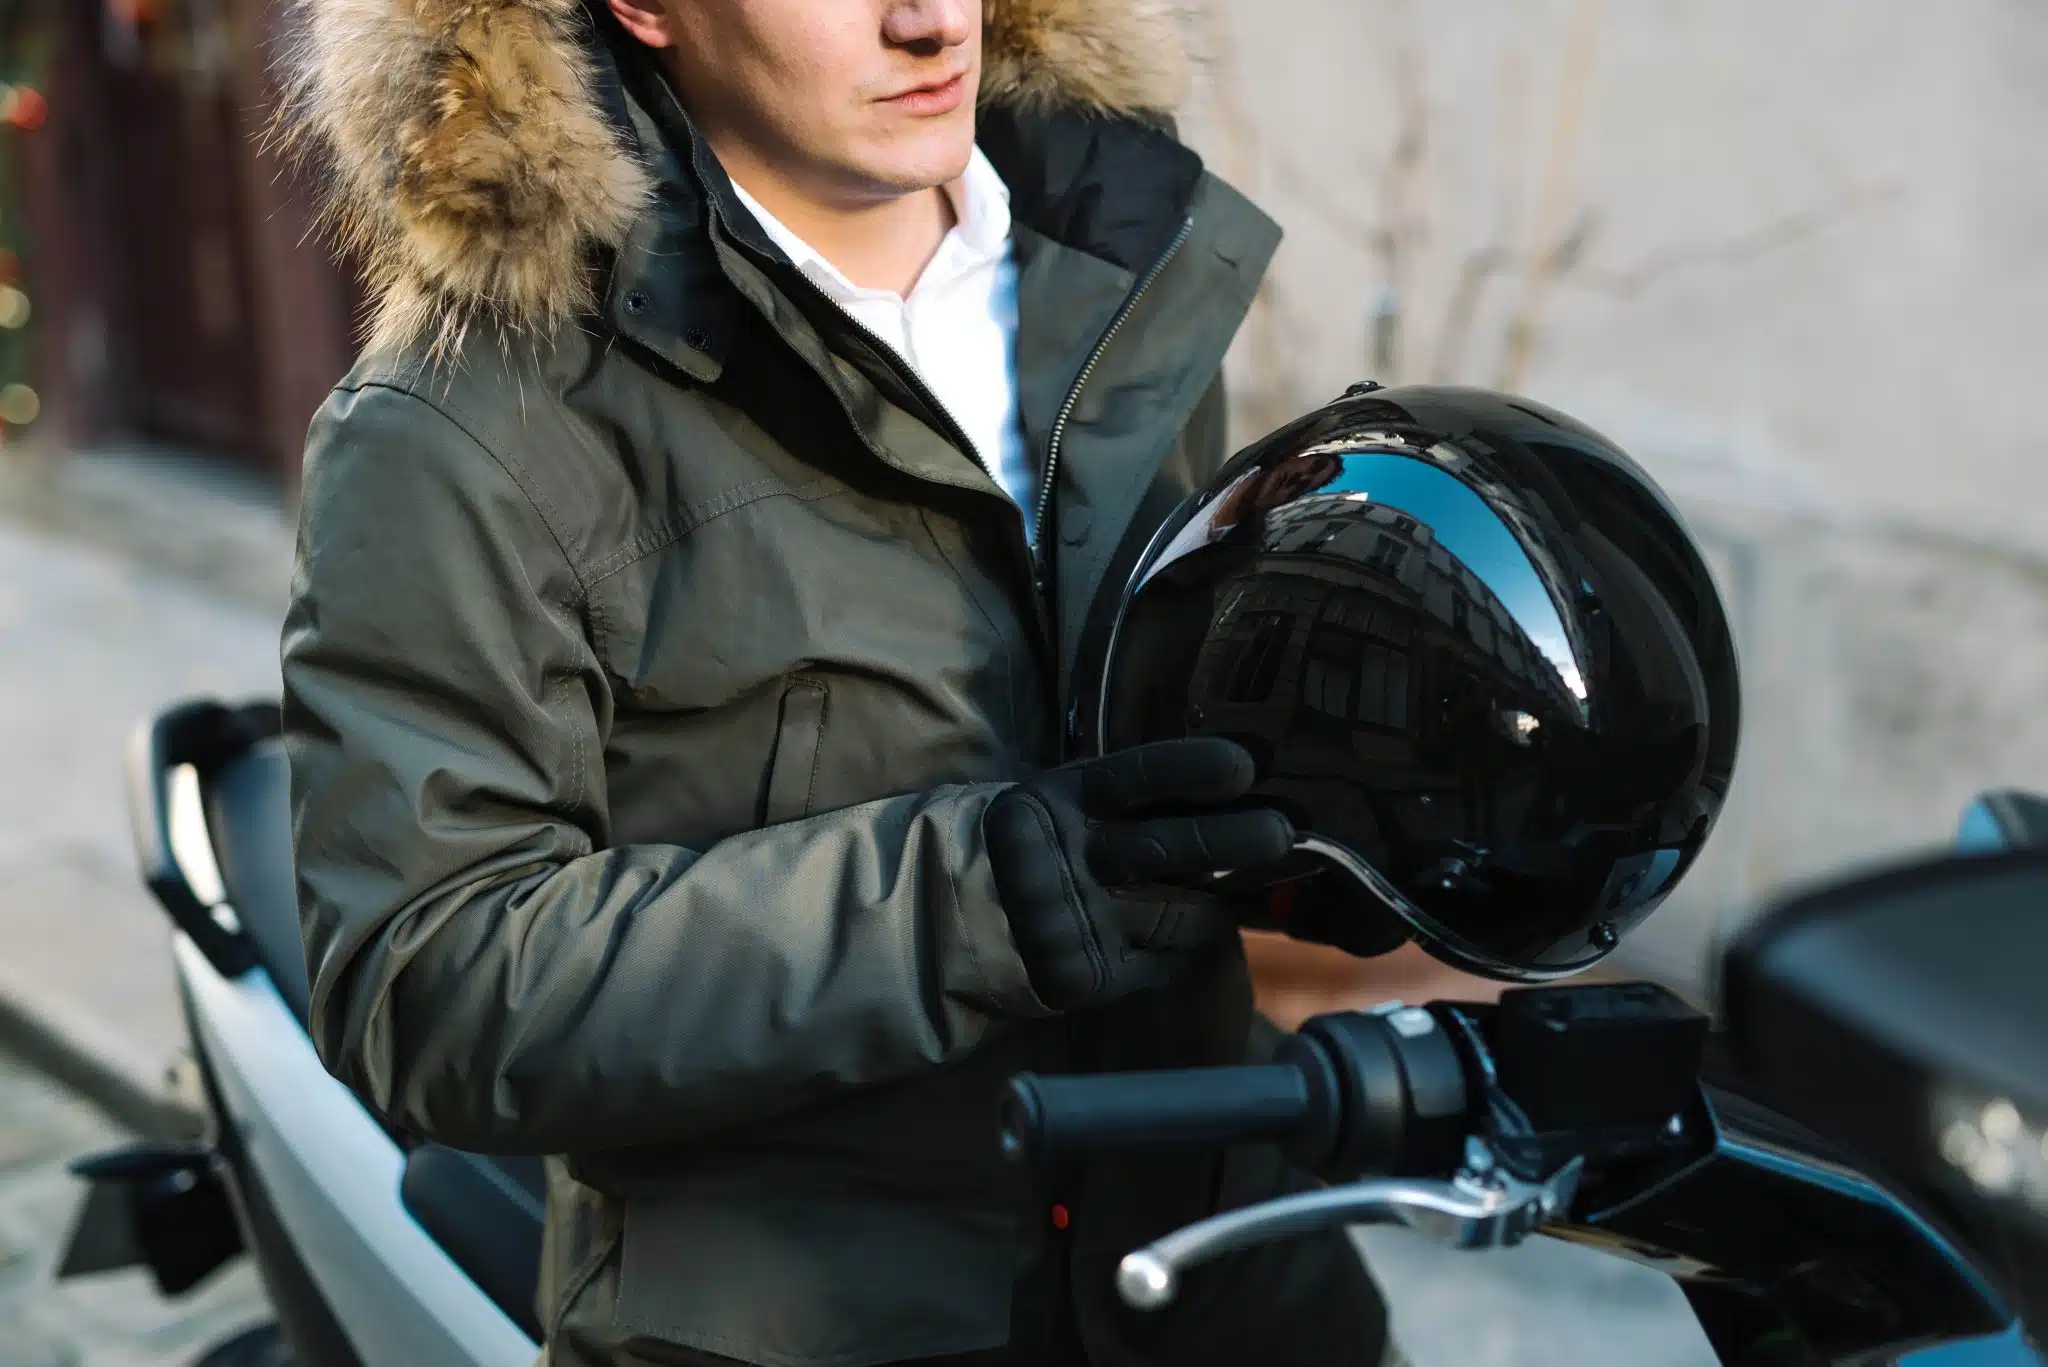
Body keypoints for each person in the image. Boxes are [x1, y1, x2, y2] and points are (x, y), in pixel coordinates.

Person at [278, 1, 1396, 1364]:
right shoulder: (464, 425)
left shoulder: (1112, 253)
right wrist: (972, 901)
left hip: (1228, 1261)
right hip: (807, 1323)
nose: (929, 20)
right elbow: (425, 973)